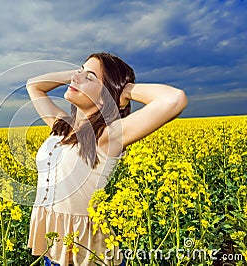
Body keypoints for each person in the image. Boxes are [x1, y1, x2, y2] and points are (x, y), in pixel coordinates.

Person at [26, 52, 188, 266]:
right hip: (53, 252)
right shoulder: (62, 125)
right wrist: (78, 75)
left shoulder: (107, 136)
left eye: (90, 77)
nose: (77, 78)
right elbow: (33, 85)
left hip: (90, 256)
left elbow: (174, 99)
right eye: (80, 71)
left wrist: (124, 90)